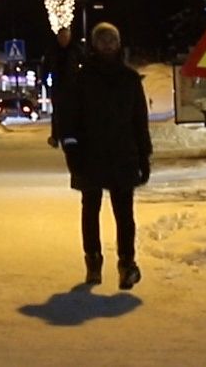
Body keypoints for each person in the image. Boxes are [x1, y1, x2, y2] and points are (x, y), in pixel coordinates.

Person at [56, 22, 152, 290]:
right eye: (103, 41)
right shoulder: (81, 79)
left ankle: (127, 264)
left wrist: (144, 155)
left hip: (123, 155)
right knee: (91, 210)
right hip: (89, 155)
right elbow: (69, 118)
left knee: (125, 214)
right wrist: (72, 151)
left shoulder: (129, 79)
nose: (108, 46)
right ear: (94, 45)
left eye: (112, 41)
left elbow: (139, 121)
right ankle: (93, 262)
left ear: (119, 44)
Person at [44, 27, 83, 149]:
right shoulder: (52, 51)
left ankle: (75, 135)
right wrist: (46, 82)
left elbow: (85, 64)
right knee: (57, 112)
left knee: (74, 111)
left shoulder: (76, 49)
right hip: (58, 86)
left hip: (73, 87)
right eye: (62, 37)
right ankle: (55, 137)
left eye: (66, 37)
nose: (64, 39)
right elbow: (45, 67)